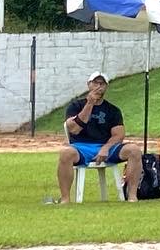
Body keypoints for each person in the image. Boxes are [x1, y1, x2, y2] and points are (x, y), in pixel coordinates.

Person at [55, 72, 141, 203]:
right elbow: (74, 129)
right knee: (65, 153)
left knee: (134, 150)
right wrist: (90, 104)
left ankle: (132, 196)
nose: (98, 87)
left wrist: (106, 148)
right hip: (81, 147)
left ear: (106, 87)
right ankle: (65, 198)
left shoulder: (113, 110)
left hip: (107, 147)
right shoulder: (75, 106)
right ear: (89, 85)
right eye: (95, 83)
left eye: (102, 84)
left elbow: (119, 135)